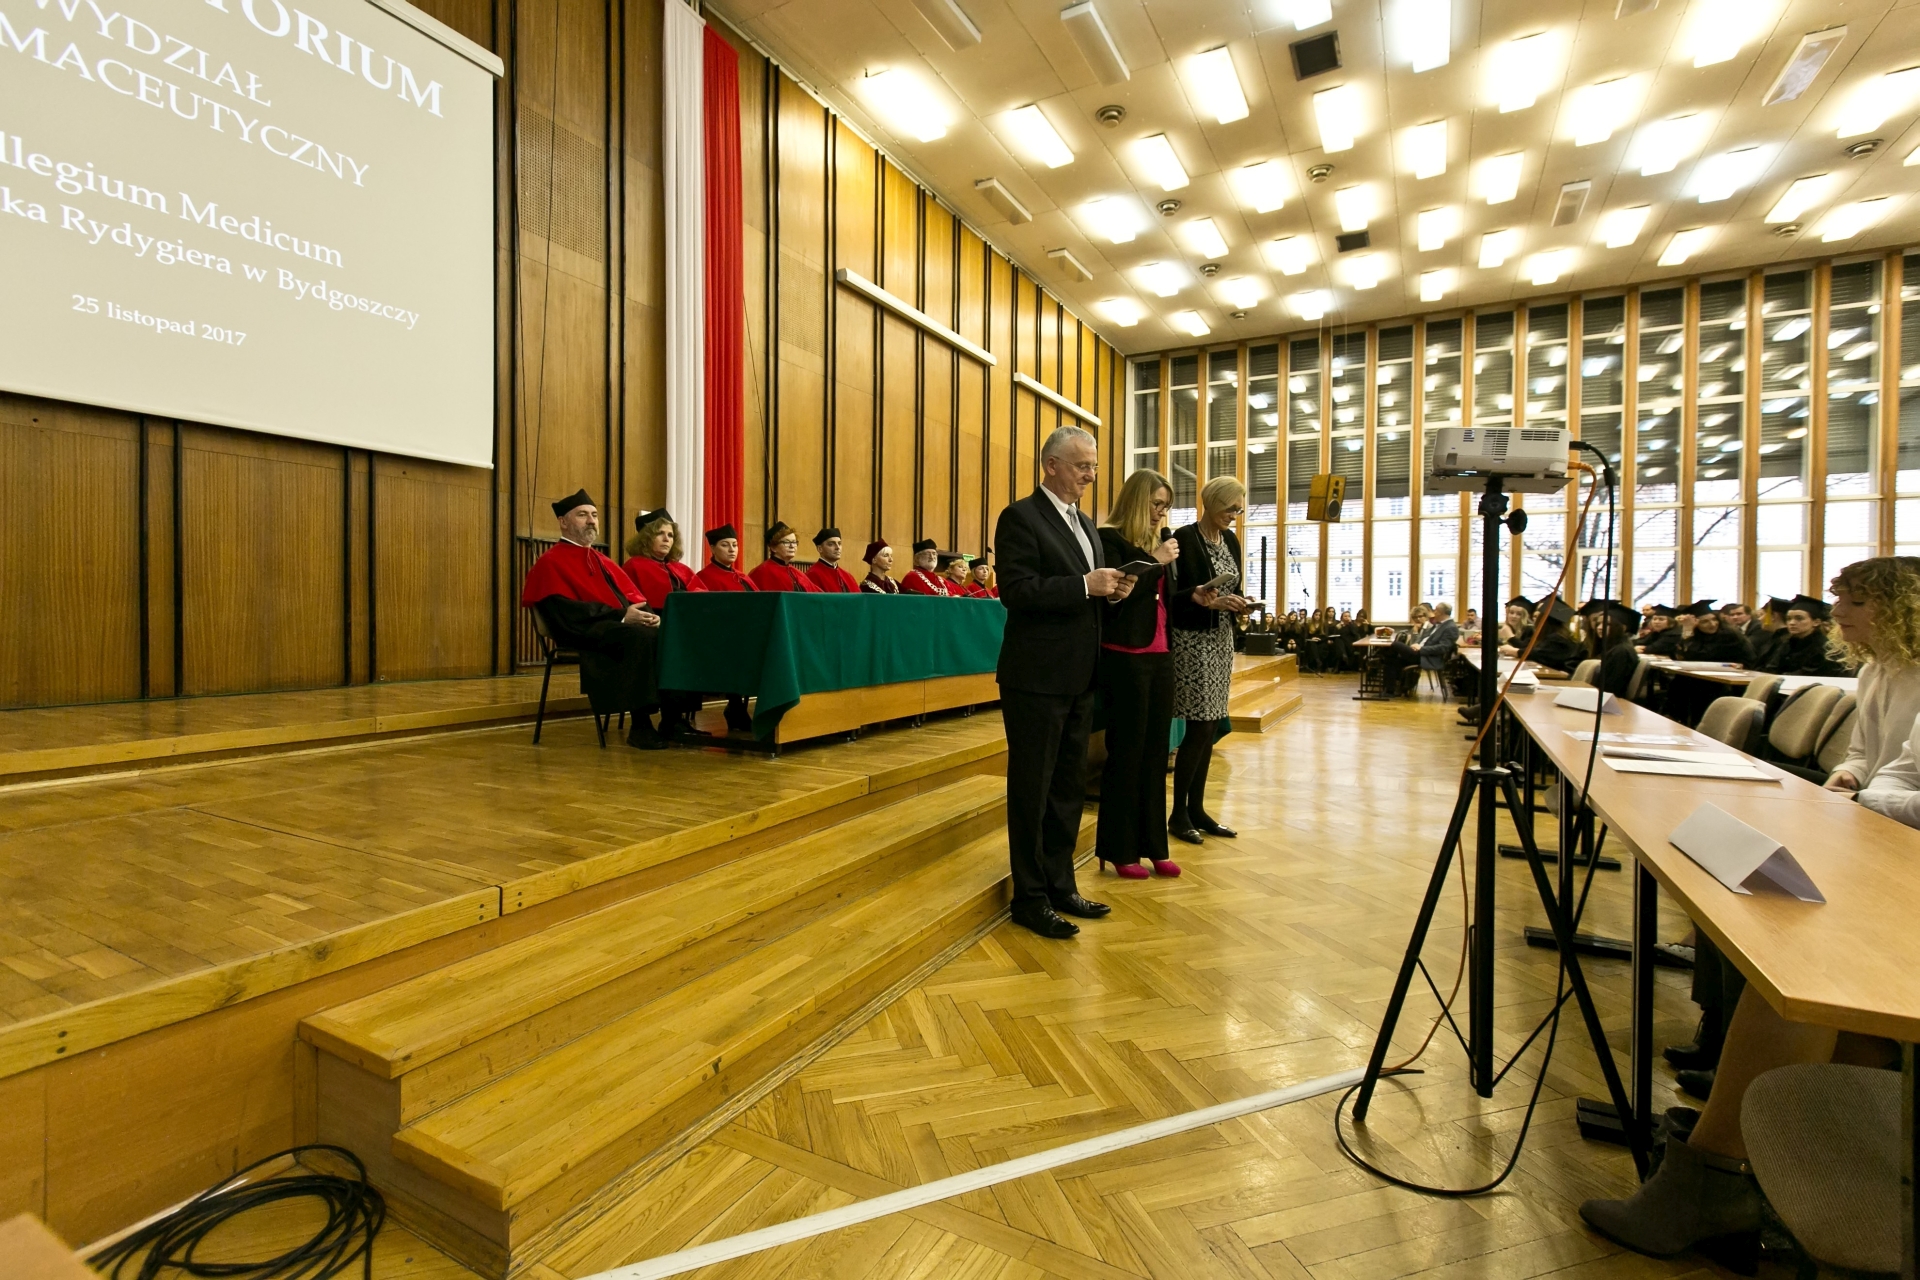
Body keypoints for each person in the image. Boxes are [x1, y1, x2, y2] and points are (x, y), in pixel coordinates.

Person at [1581, 561, 1920, 1260]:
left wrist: (1860, 800)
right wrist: (1847, 782)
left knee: (1803, 947)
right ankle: (1746, 1081)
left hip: (1897, 839)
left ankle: (1716, 1173)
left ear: (1898, 607)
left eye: (1852, 601)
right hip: (1881, 825)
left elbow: (1905, 785)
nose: (1838, 613)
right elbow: (1875, 760)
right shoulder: (1880, 669)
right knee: (1747, 879)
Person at [993, 425, 1131, 940]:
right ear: (1051, 465)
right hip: (1036, 677)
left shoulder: (1085, 523)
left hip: (1080, 675)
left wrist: (1111, 592)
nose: (1091, 475)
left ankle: (1060, 883)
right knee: (1033, 790)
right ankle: (1029, 898)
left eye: (1093, 466)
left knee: (1068, 787)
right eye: (1082, 466)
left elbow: (1085, 595)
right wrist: (1082, 585)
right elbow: (1016, 591)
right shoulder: (1020, 517)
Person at [519, 489, 670, 749]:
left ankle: (673, 718)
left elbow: (632, 598)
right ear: (563, 522)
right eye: (582, 515)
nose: (591, 521)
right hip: (580, 629)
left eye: (595, 515)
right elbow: (564, 612)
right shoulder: (550, 562)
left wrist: (650, 616)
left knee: (666, 633)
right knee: (639, 637)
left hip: (613, 625)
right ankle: (641, 726)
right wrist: (622, 616)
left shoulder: (602, 560)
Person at [1094, 469, 1182, 880]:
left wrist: (1196, 596)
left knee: (1155, 753)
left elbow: (1161, 599)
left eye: (1166, 506)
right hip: (1124, 654)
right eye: (1156, 504)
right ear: (1136, 500)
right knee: (1126, 753)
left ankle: (1154, 845)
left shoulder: (1154, 545)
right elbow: (1118, 596)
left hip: (1161, 653)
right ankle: (1119, 848)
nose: (1161, 513)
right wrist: (1156, 561)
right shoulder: (1108, 539)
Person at [1168, 476, 1251, 845]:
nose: (1234, 515)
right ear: (1212, 502)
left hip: (1220, 640)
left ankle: (1198, 809)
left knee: (1211, 724)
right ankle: (1179, 814)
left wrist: (1241, 603)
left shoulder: (1230, 540)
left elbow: (1234, 586)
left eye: (1238, 510)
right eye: (1230, 508)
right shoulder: (1185, 538)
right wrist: (1206, 600)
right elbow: (1173, 594)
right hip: (1192, 640)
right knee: (1199, 726)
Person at [622, 509, 706, 608]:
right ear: (645, 538)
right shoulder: (633, 566)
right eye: (659, 533)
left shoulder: (682, 569)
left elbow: (704, 598)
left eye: (670, 535)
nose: (666, 539)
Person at [1763, 595, 1852, 676]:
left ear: (1816, 622)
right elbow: (1772, 667)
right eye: (1788, 619)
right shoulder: (1788, 643)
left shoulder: (1825, 647)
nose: (1792, 623)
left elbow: (1809, 674)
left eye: (1799, 618)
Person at [1383, 602, 1458, 697]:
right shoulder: (1439, 625)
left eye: (1435, 610)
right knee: (1392, 660)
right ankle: (1390, 691)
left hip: (1426, 656)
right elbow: (1424, 639)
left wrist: (1421, 649)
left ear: (1441, 612)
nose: (1433, 612)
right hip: (1420, 652)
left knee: (1395, 645)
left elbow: (1443, 648)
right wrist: (1416, 645)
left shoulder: (1450, 627)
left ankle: (1385, 664)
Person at [1581, 599, 1643, 696]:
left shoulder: (1620, 652)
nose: (1599, 628)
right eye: (1598, 623)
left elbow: (1609, 688)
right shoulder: (1614, 647)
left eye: (1607, 624)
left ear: (1623, 628)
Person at [748, 522, 821, 593]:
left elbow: (818, 594)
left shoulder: (797, 573)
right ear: (773, 547)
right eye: (786, 542)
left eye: (794, 542)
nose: (792, 546)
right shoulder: (762, 572)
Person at [1677, 600, 1751, 664]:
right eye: (1705, 621)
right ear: (1695, 624)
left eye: (1714, 619)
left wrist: (1688, 632)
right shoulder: (1697, 635)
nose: (1713, 624)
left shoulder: (1727, 635)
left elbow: (1700, 657)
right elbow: (1680, 656)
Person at [695, 524, 757, 592]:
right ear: (712, 549)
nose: (732, 549)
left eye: (734, 545)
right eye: (725, 545)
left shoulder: (742, 576)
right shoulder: (704, 577)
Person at [804, 528, 860, 593]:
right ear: (820, 549)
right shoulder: (813, 575)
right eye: (831, 544)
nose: (837, 547)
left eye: (839, 543)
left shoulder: (847, 576)